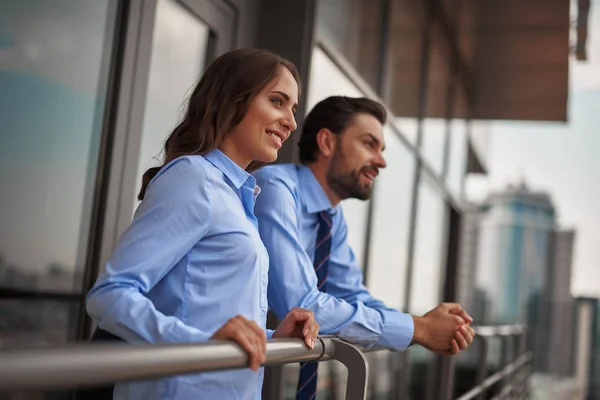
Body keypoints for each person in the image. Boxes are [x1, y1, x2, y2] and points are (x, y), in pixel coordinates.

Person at [84, 49, 319, 400]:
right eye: (277, 101)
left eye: (293, 109)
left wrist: (273, 338)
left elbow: (208, 317)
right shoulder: (193, 178)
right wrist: (201, 345)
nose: (291, 122)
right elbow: (109, 296)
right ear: (233, 100)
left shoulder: (240, 197)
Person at [253, 96, 476, 399]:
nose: (381, 161)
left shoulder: (331, 218)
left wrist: (423, 326)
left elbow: (353, 294)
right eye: (369, 145)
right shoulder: (277, 191)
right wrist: (418, 328)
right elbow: (303, 306)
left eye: (382, 150)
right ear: (327, 142)